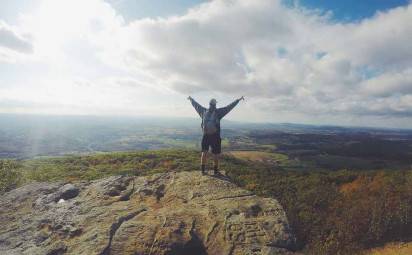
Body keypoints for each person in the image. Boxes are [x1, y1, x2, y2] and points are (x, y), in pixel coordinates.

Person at [187, 96, 245, 175]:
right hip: (215, 136)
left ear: (209, 104)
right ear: (215, 105)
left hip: (206, 135)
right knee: (215, 154)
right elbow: (229, 107)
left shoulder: (203, 111)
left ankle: (203, 171)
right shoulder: (219, 112)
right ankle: (215, 171)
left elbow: (196, 105)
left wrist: (191, 99)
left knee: (204, 153)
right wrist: (238, 100)